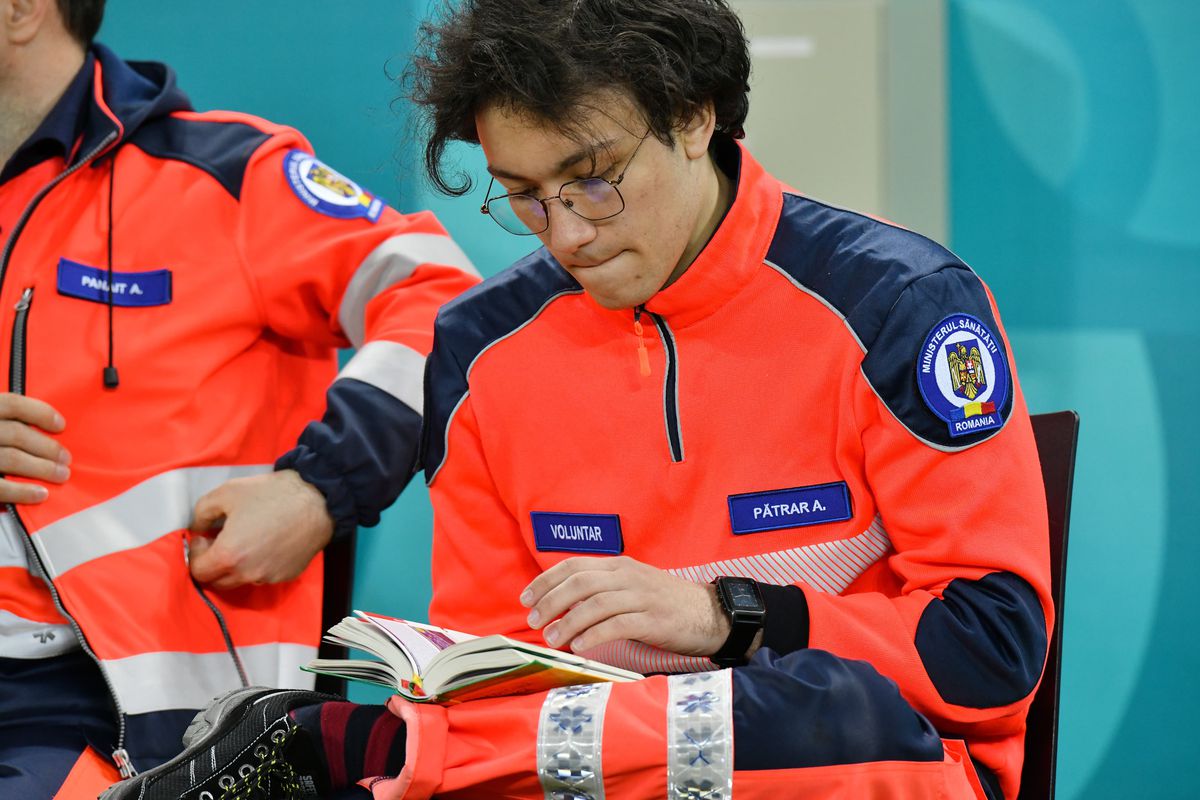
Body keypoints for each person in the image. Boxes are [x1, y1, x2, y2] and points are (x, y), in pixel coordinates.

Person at [104, 0, 1052, 798]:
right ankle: (394, 754)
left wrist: (733, 619)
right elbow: (488, 673)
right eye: (522, 194)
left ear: (695, 115)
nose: (564, 234)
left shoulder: (897, 302)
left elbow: (992, 658)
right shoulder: (478, 350)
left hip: (850, 758)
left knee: (825, 711)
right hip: (584, 764)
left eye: (592, 182)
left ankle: (365, 755)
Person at [0, 0, 479, 796]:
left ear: (20, 11)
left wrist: (319, 488)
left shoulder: (226, 174)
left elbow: (443, 299)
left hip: (139, 725)